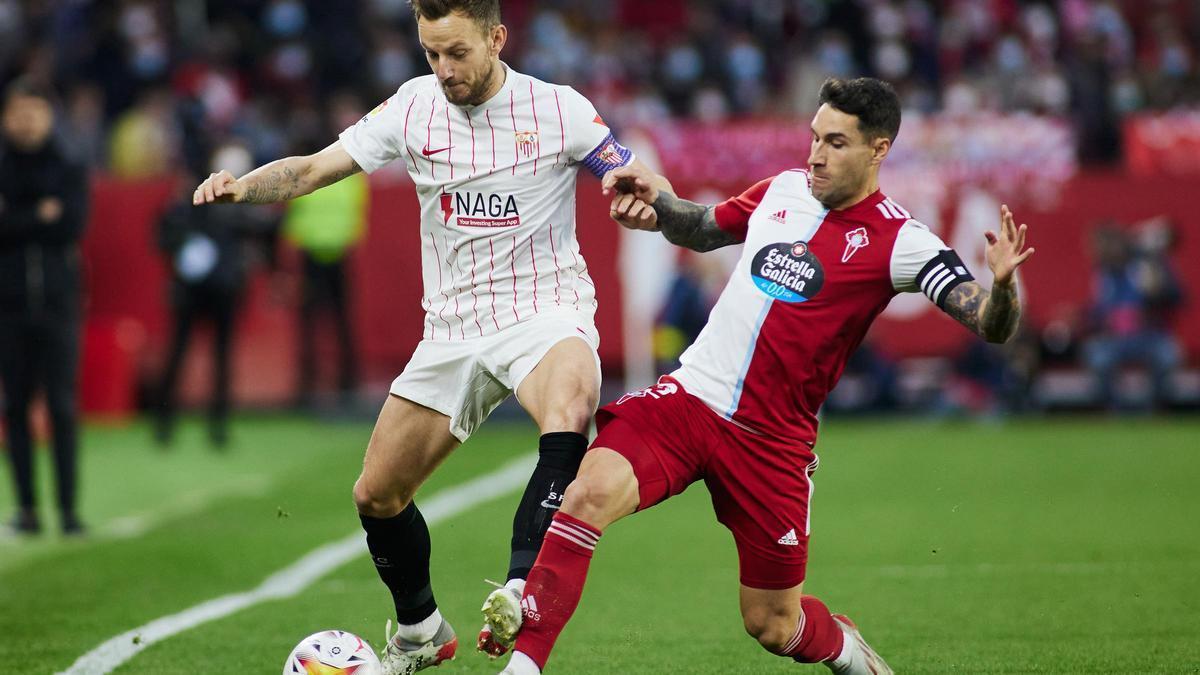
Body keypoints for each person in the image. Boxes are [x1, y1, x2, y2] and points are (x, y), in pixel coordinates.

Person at [498, 77, 1035, 675]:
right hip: (689, 400)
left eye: (835, 143)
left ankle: (848, 652)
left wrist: (1004, 287)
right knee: (588, 492)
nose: (815, 155)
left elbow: (989, 324)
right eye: (814, 138)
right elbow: (702, 227)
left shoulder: (902, 243)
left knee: (773, 624)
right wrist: (658, 204)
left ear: (878, 150)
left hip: (772, 443)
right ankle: (525, 665)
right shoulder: (782, 190)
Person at [191, 1, 658, 671]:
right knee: (376, 494)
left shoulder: (557, 108)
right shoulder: (412, 108)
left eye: (457, 53)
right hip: (453, 328)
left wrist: (637, 190)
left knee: (571, 406)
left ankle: (522, 588)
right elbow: (314, 168)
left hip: (544, 310)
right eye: (432, 53)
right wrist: (243, 188)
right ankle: (420, 629)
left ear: (496, 38)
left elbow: (632, 172)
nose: (444, 69)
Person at [0, 78, 89, 535]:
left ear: (48, 117)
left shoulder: (69, 165)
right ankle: (27, 510)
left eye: (34, 112)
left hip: (58, 304)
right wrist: (39, 216)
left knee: (62, 406)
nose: (26, 121)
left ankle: (69, 510)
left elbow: (72, 224)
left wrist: (17, 218)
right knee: (14, 407)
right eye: (18, 112)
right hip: (8, 308)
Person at [155, 144, 278, 448]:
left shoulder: (234, 203)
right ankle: (166, 422)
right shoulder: (193, 198)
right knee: (181, 353)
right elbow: (165, 234)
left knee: (218, 357)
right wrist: (186, 250)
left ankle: (216, 424)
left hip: (221, 288)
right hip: (195, 289)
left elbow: (263, 232)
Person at [283, 95, 370, 409]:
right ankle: (348, 381)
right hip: (338, 251)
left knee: (310, 324)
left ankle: (308, 385)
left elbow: (294, 215)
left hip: (312, 254)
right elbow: (358, 211)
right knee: (341, 321)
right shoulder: (349, 176)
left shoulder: (305, 175)